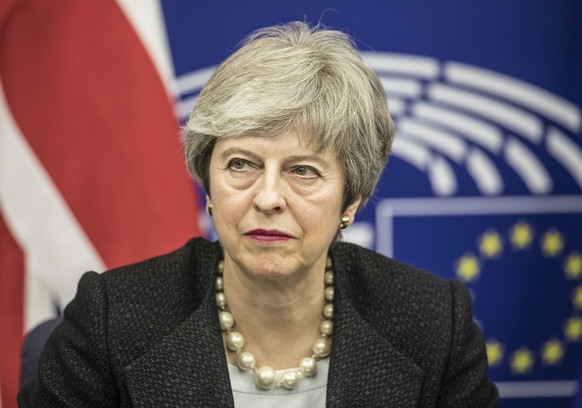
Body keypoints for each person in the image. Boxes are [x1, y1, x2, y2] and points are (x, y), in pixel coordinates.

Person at [18, 21, 499, 407]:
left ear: (350, 201)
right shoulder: (112, 318)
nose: (268, 197)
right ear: (208, 186)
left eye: (303, 171)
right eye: (241, 165)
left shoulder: (433, 324)